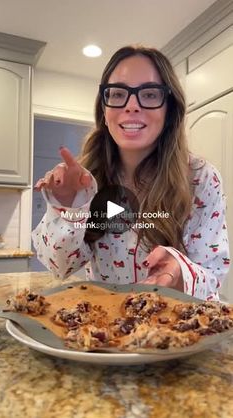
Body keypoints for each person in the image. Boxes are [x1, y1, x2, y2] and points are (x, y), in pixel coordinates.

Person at [32, 45, 230, 301]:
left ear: (168, 110)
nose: (132, 105)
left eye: (149, 94)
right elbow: (60, 267)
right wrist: (69, 209)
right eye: (117, 93)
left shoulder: (201, 178)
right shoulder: (84, 181)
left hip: (178, 332)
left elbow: (213, 275)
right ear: (104, 110)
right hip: (106, 331)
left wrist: (181, 271)